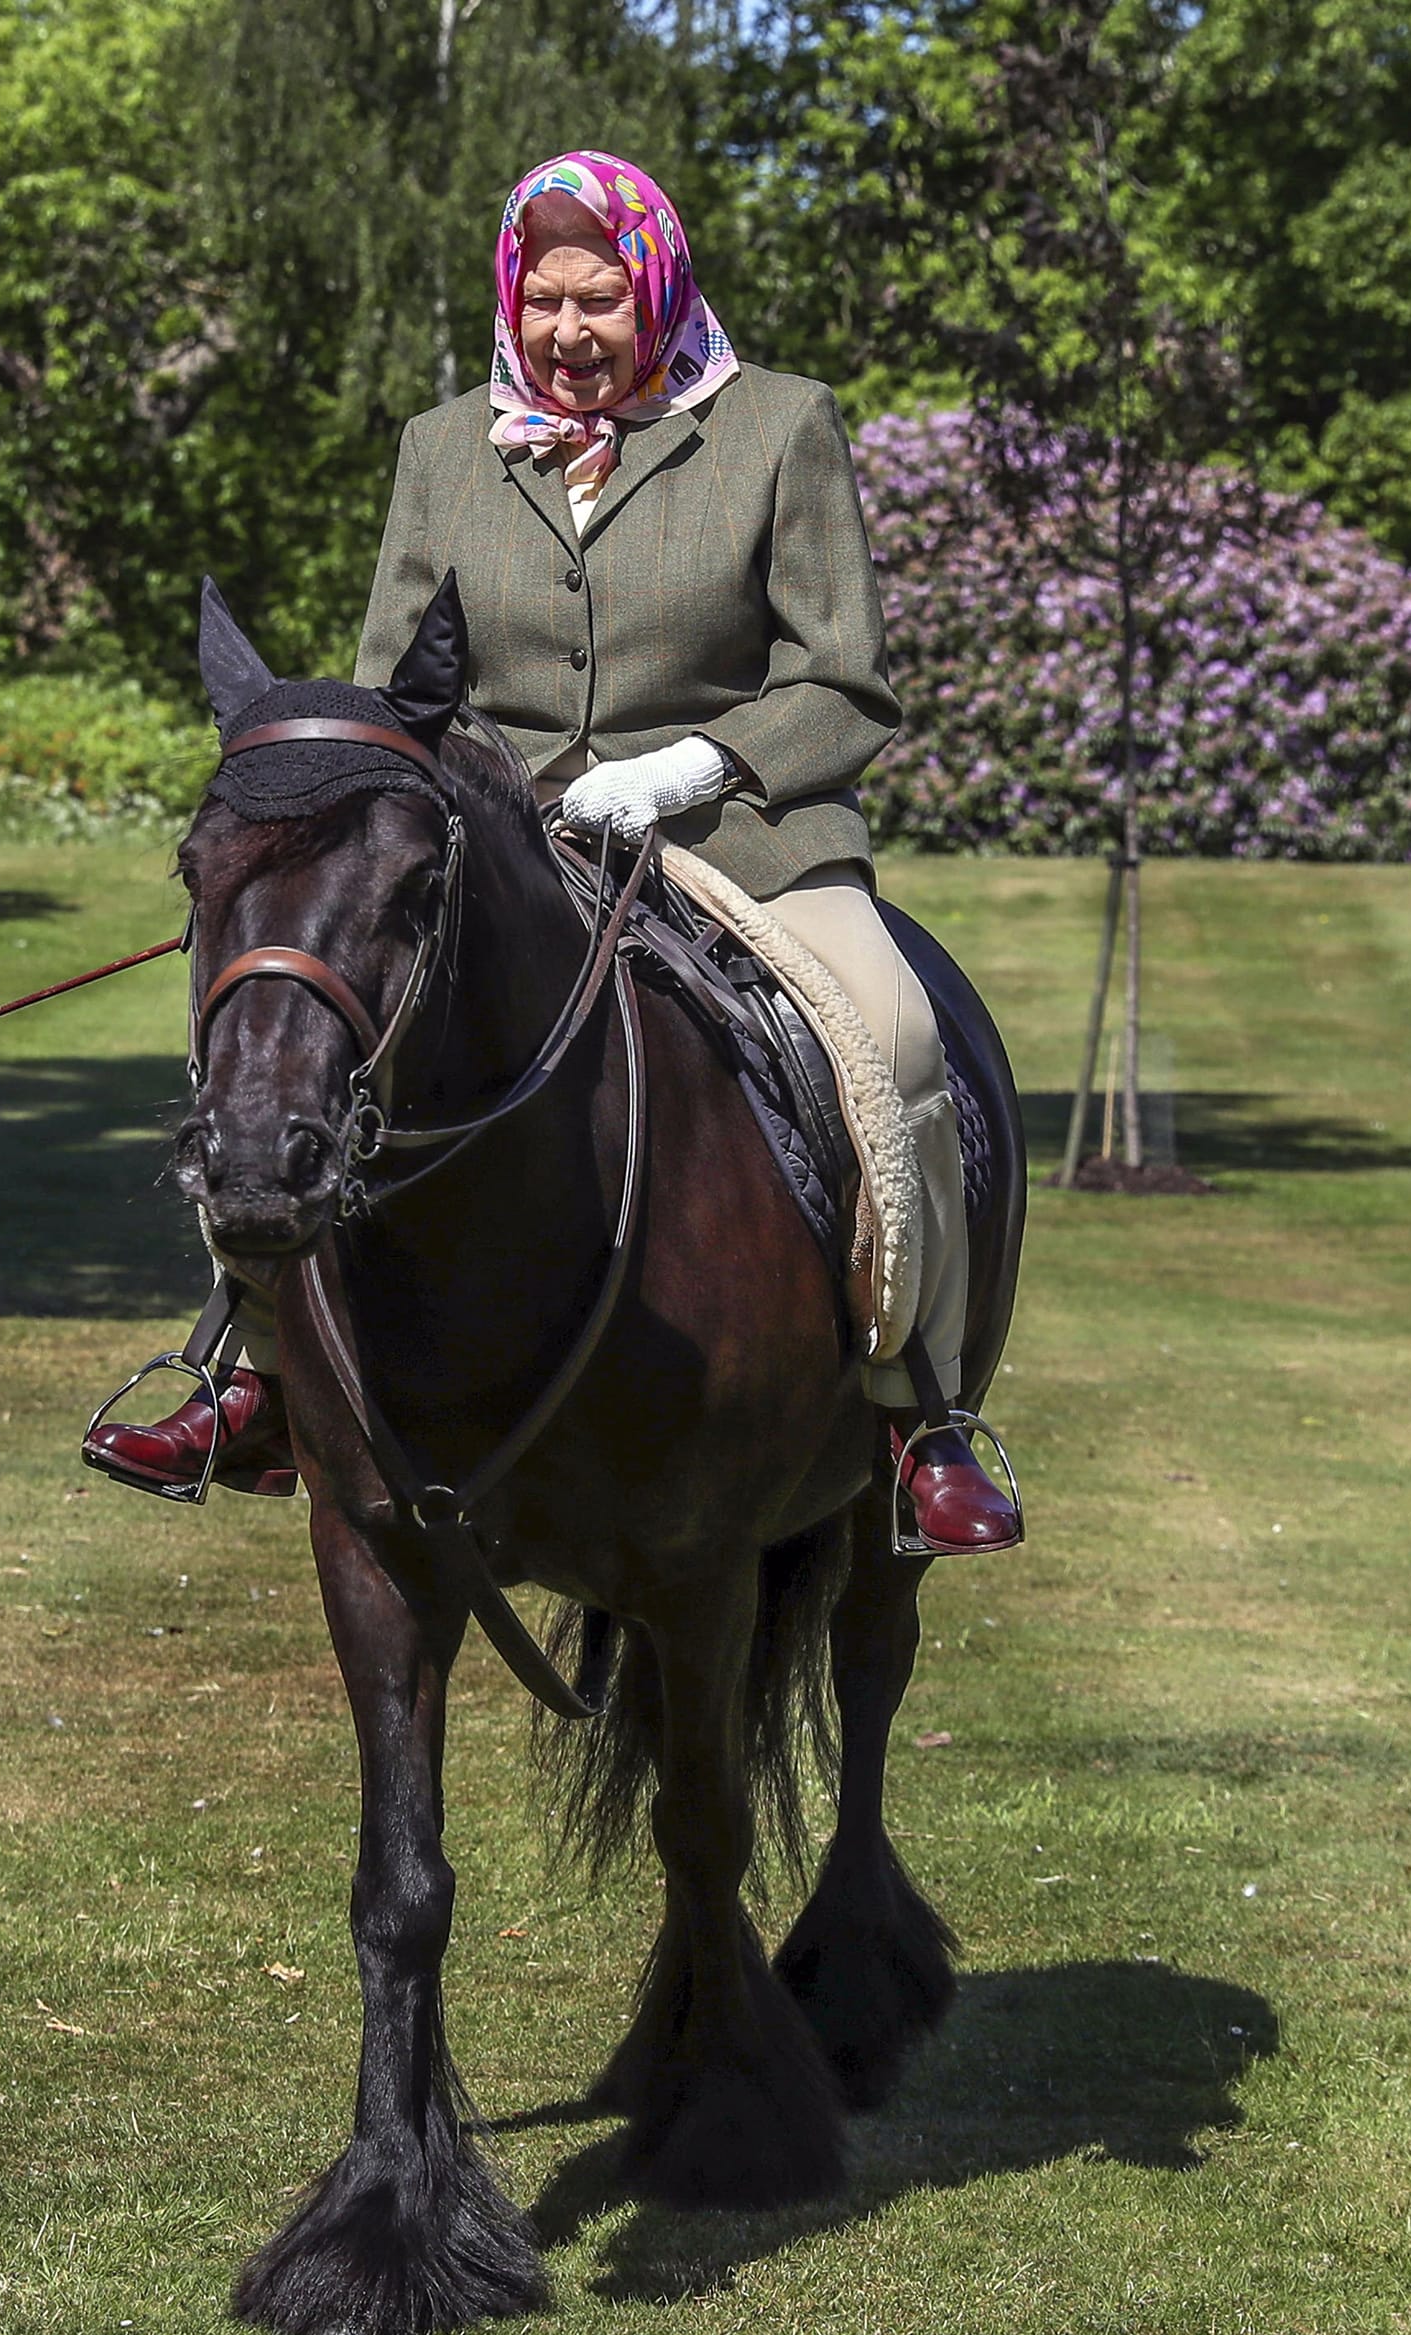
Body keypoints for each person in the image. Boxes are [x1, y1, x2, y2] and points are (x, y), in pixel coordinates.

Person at [86, 149, 1019, 1553]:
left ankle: (916, 1409)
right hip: (494, 838)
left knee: (891, 1035)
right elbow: (395, 687)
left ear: (656, 288)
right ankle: (258, 1373)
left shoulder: (777, 429)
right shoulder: (440, 446)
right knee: (293, 1033)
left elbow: (845, 681)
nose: (573, 334)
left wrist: (691, 769)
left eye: (603, 300)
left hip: (740, 830)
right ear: (511, 302)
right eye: (546, 303)